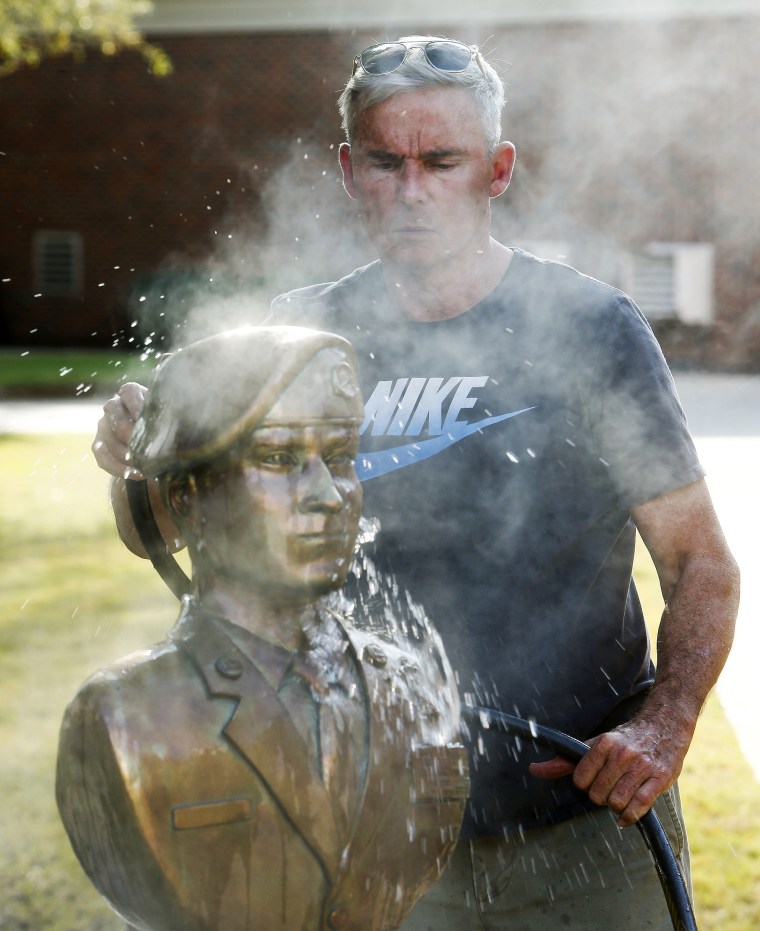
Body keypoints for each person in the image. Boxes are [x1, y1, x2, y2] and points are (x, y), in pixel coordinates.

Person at [93, 37, 740, 929]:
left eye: (442, 162)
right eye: (386, 163)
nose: (411, 191)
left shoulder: (591, 329)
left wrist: (663, 727)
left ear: (498, 169)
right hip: (364, 833)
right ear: (349, 169)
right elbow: (170, 535)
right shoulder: (296, 338)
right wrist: (144, 458)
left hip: (585, 828)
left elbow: (701, 562)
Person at [61, 326, 469, 931]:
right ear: (185, 498)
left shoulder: (411, 685)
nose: (329, 496)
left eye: (339, 459)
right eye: (278, 459)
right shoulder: (123, 716)